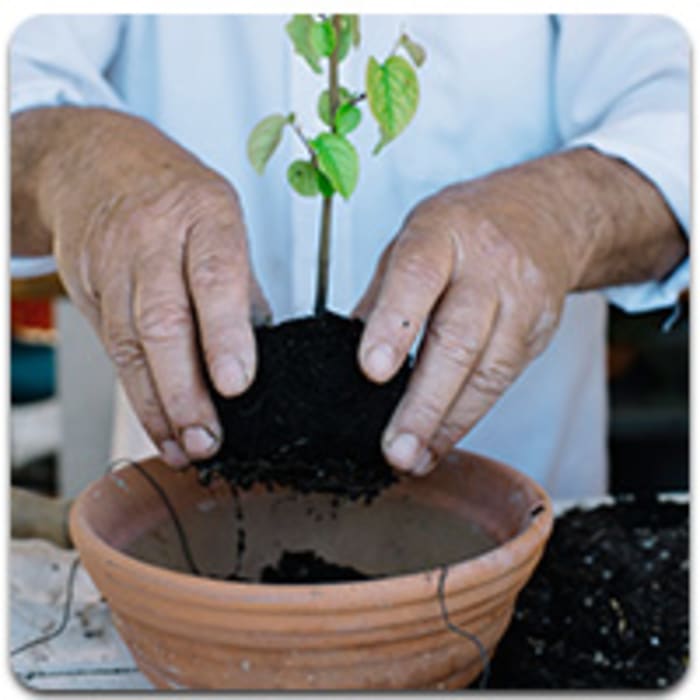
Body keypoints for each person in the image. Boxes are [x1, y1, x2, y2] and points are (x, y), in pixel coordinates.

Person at [11, 15, 689, 498]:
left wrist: (562, 211)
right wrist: (70, 158)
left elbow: (676, 106)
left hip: (514, 527)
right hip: (194, 511)